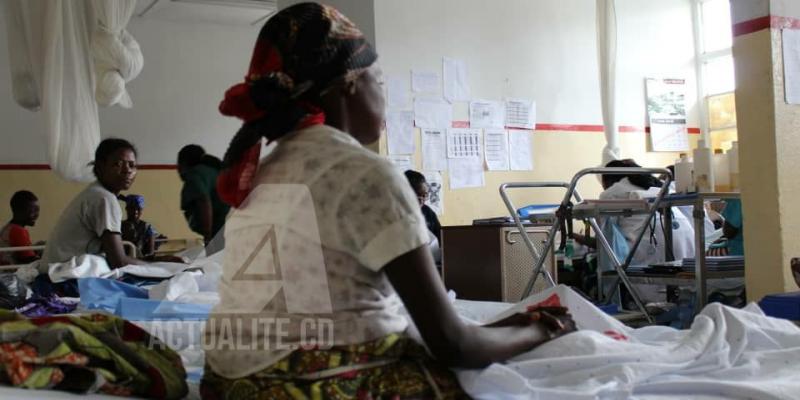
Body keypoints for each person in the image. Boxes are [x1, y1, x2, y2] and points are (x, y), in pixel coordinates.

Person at [201, 4, 576, 399]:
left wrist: (500, 328)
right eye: (377, 81)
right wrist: (542, 329)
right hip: (305, 384)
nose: (383, 97)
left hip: (228, 380)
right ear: (348, 84)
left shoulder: (262, 171)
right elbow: (454, 345)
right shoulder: (365, 173)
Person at [177, 144, 229, 248]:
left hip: (222, 233)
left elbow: (203, 201)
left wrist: (208, 236)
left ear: (183, 163)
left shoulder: (195, 174)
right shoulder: (214, 171)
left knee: (217, 262)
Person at [0, 190, 41, 265]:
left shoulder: (8, 227)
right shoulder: (18, 231)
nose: (36, 215)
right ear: (19, 211)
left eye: (37, 211)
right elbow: (29, 259)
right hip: (11, 272)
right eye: (33, 211)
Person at [404, 170, 442, 243]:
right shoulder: (395, 214)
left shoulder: (428, 212)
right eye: (416, 195)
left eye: (424, 195)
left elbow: (441, 239)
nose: (422, 200)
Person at [120, 194, 158, 258]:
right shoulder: (119, 226)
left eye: (138, 209)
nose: (136, 212)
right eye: (132, 208)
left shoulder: (148, 227)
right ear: (127, 209)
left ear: (142, 210)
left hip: (142, 261)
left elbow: (150, 253)